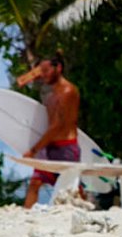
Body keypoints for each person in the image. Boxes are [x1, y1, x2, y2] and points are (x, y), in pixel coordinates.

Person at [17, 51, 80, 208]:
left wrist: (34, 150)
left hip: (66, 148)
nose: (43, 74)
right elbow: (21, 81)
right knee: (35, 183)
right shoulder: (51, 92)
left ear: (58, 68)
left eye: (46, 71)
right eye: (41, 71)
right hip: (49, 147)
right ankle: (26, 217)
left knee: (71, 188)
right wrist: (30, 76)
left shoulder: (67, 92)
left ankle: (88, 211)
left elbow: (57, 126)